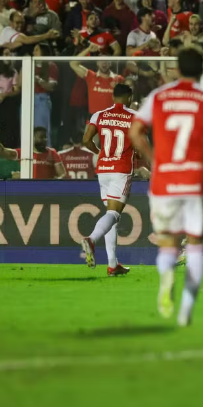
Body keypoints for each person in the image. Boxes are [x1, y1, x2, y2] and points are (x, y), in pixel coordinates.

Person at [128, 47, 203, 327]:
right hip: (196, 179)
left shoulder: (158, 96)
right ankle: (186, 309)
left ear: (177, 69)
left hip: (165, 179)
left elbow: (135, 131)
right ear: (201, 70)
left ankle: (166, 277)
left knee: (168, 244)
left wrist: (153, 160)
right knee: (195, 245)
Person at [80, 84, 136, 277]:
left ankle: (113, 264)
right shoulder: (134, 117)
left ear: (113, 96)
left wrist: (100, 153)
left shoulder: (99, 114)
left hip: (103, 169)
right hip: (121, 169)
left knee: (110, 214)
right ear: (129, 96)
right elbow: (141, 143)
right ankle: (92, 239)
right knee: (114, 214)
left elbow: (86, 140)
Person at [0, 127, 66, 179]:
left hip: (47, 191)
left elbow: (63, 174)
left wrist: (55, 183)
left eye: (45, 137)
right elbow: (3, 152)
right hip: (29, 190)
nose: (45, 140)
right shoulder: (24, 152)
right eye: (41, 137)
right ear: (32, 138)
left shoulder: (52, 153)